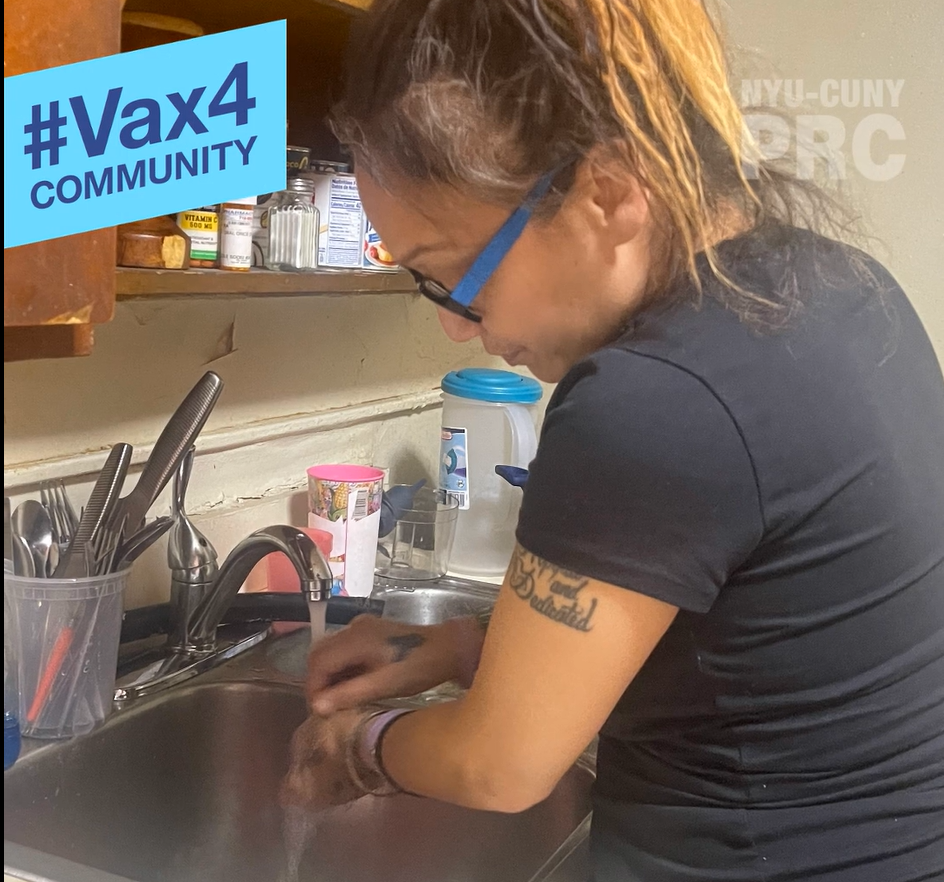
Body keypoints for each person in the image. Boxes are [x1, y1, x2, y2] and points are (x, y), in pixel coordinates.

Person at [280, 2, 944, 879]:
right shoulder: (832, 285)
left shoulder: (650, 398)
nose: (457, 328)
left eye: (451, 277)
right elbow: (742, 638)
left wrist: (360, 749)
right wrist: (452, 648)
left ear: (608, 193)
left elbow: (499, 765)